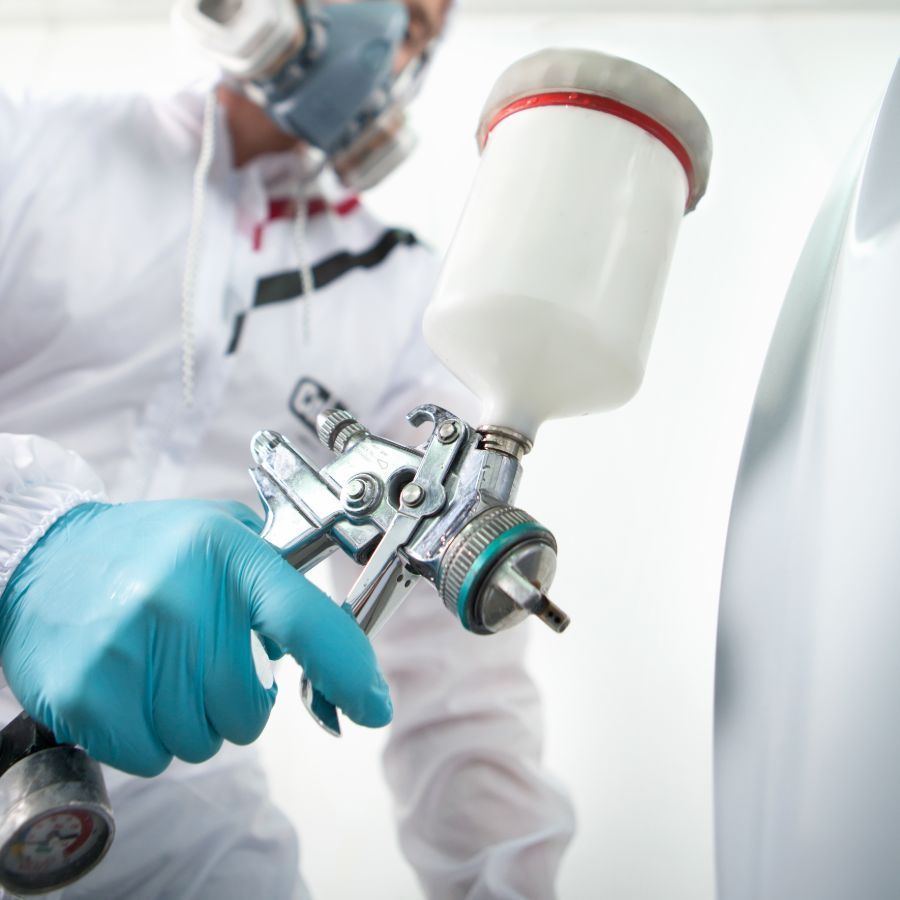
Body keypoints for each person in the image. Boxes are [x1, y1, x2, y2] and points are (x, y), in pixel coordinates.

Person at [0, 1, 575, 897]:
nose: (390, 36)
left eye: (420, 27)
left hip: (164, 795)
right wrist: (29, 547)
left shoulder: (409, 303)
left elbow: (462, 689)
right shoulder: (34, 148)